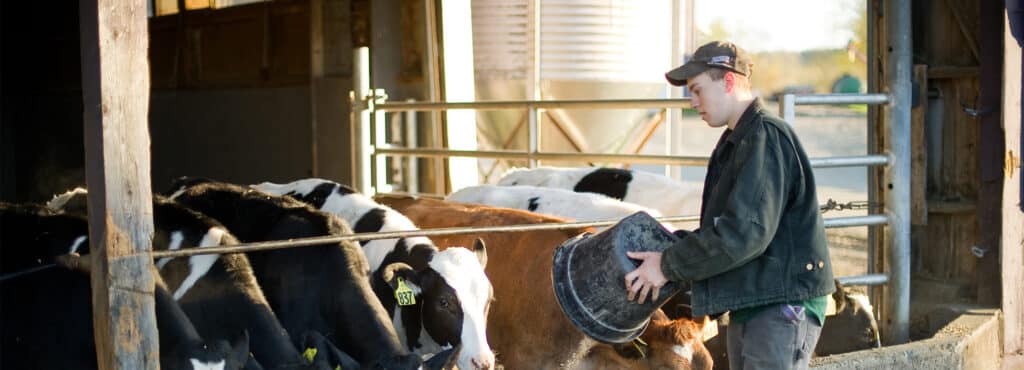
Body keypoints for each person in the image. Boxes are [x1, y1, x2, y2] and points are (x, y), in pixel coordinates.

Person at [624, 40, 835, 370]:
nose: (693, 101)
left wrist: (667, 265)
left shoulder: (764, 137)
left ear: (729, 80)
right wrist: (662, 250)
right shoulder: (736, 142)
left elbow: (743, 233)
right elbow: (723, 230)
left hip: (781, 304)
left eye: (697, 90)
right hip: (755, 297)